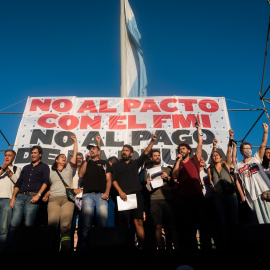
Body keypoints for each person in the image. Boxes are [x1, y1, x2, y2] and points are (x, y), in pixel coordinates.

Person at [111, 134, 157, 250]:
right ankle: (126, 247)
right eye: (123, 150)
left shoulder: (135, 163)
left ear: (131, 154)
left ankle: (142, 247)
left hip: (137, 195)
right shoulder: (116, 165)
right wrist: (121, 192)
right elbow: (113, 180)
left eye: (126, 150)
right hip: (123, 196)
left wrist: (152, 141)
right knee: (124, 223)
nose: (124, 152)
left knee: (139, 222)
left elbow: (146, 153)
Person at [172, 124, 211, 252]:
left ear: (189, 150)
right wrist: (177, 161)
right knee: (189, 225)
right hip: (184, 197)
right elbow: (175, 176)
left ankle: (206, 248)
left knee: (203, 223)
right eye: (180, 149)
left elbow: (200, 143)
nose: (181, 150)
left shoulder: (195, 159)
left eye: (183, 149)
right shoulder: (178, 163)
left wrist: (199, 130)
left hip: (197, 195)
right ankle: (192, 249)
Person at [6, 145, 50, 250]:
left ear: (40, 154)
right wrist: (13, 198)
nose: (33, 155)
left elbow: (46, 182)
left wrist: (38, 195)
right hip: (20, 197)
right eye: (32, 153)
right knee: (14, 224)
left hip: (32, 198)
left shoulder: (44, 167)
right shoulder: (26, 167)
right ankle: (8, 248)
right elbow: (18, 183)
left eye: (35, 153)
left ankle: (25, 249)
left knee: (28, 224)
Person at [78, 138, 112, 251]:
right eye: (90, 149)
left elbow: (109, 179)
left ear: (98, 151)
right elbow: (81, 175)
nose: (91, 150)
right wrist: (86, 160)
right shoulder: (86, 162)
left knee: (102, 224)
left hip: (101, 195)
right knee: (86, 224)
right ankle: (83, 248)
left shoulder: (104, 163)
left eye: (94, 148)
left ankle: (100, 248)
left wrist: (107, 192)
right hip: (87, 195)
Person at [207, 129, 239, 250]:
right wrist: (211, 186)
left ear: (221, 158)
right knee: (222, 222)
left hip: (231, 196)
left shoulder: (226, 164)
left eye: (217, 155)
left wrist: (230, 137)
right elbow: (210, 182)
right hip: (218, 198)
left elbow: (229, 150)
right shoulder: (211, 169)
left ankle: (237, 245)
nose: (215, 157)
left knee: (234, 221)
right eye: (214, 156)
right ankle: (226, 247)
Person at [235, 123, 270, 224]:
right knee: (261, 220)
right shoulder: (238, 166)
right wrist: (242, 196)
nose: (248, 150)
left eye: (249, 148)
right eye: (245, 149)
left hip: (265, 190)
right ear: (241, 151)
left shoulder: (256, 158)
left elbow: (263, 144)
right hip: (252, 195)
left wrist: (266, 131)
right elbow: (238, 182)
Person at [144, 149, 179, 250]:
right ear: (151, 158)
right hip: (154, 200)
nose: (157, 157)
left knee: (172, 225)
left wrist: (168, 178)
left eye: (158, 155)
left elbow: (174, 184)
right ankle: (161, 249)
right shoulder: (148, 172)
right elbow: (148, 190)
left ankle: (176, 247)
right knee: (158, 226)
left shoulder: (167, 169)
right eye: (155, 156)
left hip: (168, 199)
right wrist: (147, 184)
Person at [0, 150, 21, 252]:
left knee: (3, 228)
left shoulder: (17, 169)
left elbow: (18, 182)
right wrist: (1, 171)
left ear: (13, 158)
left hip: (7, 201)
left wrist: (8, 171)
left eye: (9, 156)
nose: (7, 157)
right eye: (5, 155)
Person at [70, 152, 84, 251]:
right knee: (71, 225)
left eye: (80, 158)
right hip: (72, 199)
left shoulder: (86, 170)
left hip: (84, 199)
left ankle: (81, 248)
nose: (78, 160)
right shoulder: (71, 170)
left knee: (83, 226)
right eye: (77, 158)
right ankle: (70, 248)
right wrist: (72, 191)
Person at [107, 156, 119, 227]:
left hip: (121, 199)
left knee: (122, 221)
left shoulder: (121, 174)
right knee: (110, 222)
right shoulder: (107, 174)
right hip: (110, 200)